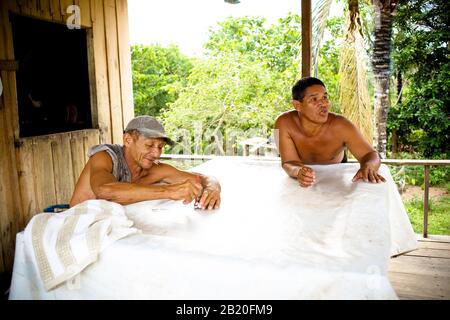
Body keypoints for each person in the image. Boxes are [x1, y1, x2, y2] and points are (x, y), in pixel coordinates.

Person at [70, 116, 221, 209]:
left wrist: (212, 188)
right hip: (76, 228)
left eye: (160, 147)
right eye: (149, 145)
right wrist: (169, 191)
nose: (156, 153)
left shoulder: (155, 170)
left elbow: (202, 178)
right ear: (128, 140)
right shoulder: (104, 156)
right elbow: (105, 191)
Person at [274, 77, 386, 187]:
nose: (324, 104)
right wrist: (298, 171)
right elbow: (288, 162)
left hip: (336, 178)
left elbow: (371, 154)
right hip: (300, 182)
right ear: (297, 105)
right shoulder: (282, 123)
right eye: (314, 99)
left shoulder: (341, 125)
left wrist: (368, 166)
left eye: (325, 97)